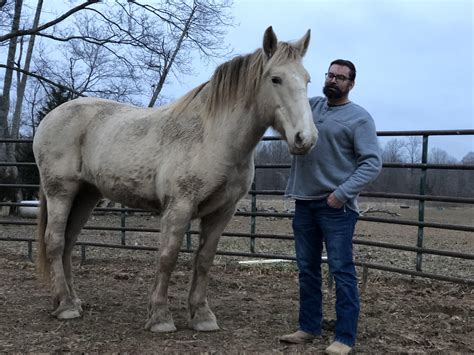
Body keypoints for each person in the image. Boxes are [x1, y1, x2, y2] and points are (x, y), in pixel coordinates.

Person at [279, 59, 382, 355]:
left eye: (340, 77)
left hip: (337, 207)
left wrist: (342, 193)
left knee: (341, 270)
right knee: (308, 269)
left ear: (351, 84)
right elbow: (285, 107)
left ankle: (345, 337)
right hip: (304, 204)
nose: (333, 80)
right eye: (330, 74)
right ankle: (308, 327)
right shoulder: (311, 107)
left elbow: (372, 163)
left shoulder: (359, 118)